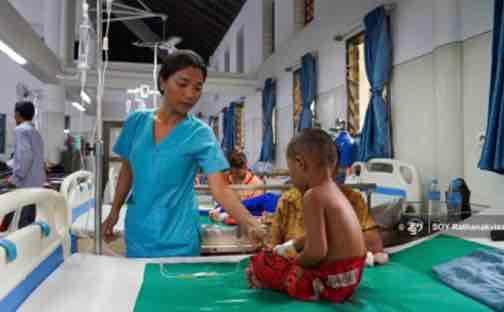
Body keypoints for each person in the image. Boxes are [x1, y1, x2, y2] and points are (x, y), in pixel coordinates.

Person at [101, 50, 265, 258]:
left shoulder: (200, 134)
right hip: (139, 232)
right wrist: (114, 211)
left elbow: (220, 189)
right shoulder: (136, 123)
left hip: (180, 237)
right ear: (162, 82)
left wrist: (251, 223)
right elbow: (127, 171)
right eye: (182, 84)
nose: (190, 94)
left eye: (198, 88)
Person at [247, 129, 366, 303]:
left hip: (330, 281)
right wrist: (291, 246)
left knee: (262, 264)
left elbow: (317, 252)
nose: (292, 179)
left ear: (300, 163)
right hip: (352, 278)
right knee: (277, 257)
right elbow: (320, 236)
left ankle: (267, 281)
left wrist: (293, 262)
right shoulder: (336, 192)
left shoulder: (313, 196)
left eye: (291, 172)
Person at [270, 171, 388, 266]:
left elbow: (315, 251)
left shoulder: (351, 199)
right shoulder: (287, 201)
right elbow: (274, 249)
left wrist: (298, 245)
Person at [0, 101, 46, 231]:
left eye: (15, 114)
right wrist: (9, 165)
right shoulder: (35, 132)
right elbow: (27, 156)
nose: (14, 117)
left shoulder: (20, 130)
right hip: (37, 182)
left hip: (26, 182)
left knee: (24, 220)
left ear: (18, 114)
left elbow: (25, 157)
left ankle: (23, 245)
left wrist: (16, 177)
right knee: (29, 217)